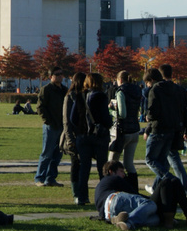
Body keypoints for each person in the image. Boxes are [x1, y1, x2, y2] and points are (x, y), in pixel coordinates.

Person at [75, 73, 111, 206]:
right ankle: (104, 195)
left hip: (83, 135)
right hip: (99, 136)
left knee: (84, 167)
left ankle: (81, 197)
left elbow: (73, 117)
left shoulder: (80, 95)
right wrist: (108, 124)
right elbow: (105, 117)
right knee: (102, 167)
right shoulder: (101, 96)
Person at [159, 64, 187, 198]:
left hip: (167, 128)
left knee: (172, 158)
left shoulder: (161, 90)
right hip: (178, 127)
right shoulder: (180, 90)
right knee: (166, 159)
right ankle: (157, 185)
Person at [143, 67, 179, 193]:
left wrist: (148, 116)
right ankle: (156, 188)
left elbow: (152, 111)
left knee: (150, 159)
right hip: (170, 128)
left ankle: (170, 179)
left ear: (151, 80)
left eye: (147, 83)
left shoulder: (155, 90)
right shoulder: (173, 88)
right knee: (162, 162)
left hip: (158, 128)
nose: (147, 85)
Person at [108, 70, 142, 190]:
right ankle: (134, 189)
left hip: (123, 131)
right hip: (135, 130)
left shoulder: (121, 91)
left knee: (111, 162)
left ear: (120, 80)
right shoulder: (137, 90)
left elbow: (122, 114)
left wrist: (111, 110)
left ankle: (111, 187)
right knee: (129, 164)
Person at [34, 67, 67, 188]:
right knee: (46, 153)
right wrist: (48, 121)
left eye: (61, 74)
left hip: (62, 126)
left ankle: (51, 178)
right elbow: (40, 107)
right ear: (50, 76)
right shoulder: (46, 89)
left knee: (58, 154)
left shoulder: (64, 90)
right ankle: (39, 178)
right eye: (57, 74)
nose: (59, 76)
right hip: (51, 126)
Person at [61, 71, 87, 201]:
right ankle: (76, 193)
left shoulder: (85, 95)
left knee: (83, 165)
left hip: (83, 134)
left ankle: (82, 192)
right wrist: (70, 138)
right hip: (74, 135)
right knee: (75, 164)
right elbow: (66, 120)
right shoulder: (70, 96)